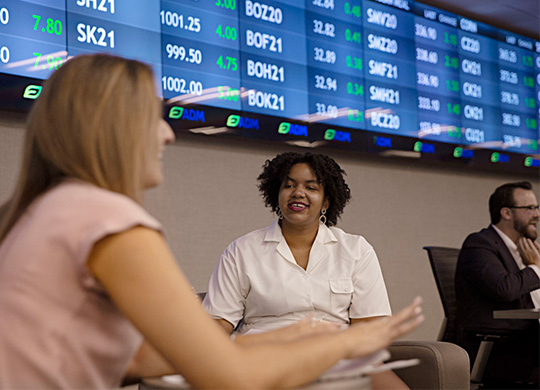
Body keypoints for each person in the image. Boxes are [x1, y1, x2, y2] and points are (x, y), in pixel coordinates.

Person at [0, 54, 424, 389]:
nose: (167, 134)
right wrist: (347, 342)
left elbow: (137, 360)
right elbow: (228, 380)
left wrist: (281, 338)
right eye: (153, 116)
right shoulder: (108, 221)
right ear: (110, 128)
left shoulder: (44, 210)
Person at [203, 152, 409, 388]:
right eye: (288, 185)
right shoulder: (241, 251)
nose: (298, 192)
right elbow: (217, 326)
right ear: (276, 195)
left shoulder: (356, 250)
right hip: (266, 354)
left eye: (311, 187)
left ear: (326, 201)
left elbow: (370, 329)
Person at [455, 181, 540, 387]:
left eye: (537, 207)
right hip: (499, 347)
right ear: (506, 213)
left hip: (524, 340)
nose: (536, 214)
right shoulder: (479, 243)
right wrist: (535, 268)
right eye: (529, 208)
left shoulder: (525, 249)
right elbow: (504, 289)